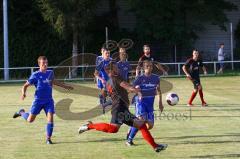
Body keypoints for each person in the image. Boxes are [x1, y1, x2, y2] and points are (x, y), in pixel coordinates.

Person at [78, 62, 168, 152]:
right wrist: (136, 90)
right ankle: (90, 126)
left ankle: (89, 126)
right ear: (111, 71)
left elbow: (104, 94)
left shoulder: (108, 82)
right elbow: (127, 86)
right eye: (115, 68)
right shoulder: (116, 77)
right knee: (135, 126)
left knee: (116, 128)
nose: (118, 69)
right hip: (119, 109)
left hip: (120, 108)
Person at [13, 56, 73, 144]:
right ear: (39, 64)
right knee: (30, 120)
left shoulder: (50, 72)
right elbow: (25, 85)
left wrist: (65, 86)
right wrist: (23, 93)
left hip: (48, 101)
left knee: (50, 118)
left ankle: (48, 139)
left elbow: (54, 81)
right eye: (43, 63)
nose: (45, 65)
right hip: (38, 101)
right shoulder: (35, 75)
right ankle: (21, 112)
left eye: (46, 63)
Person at [126, 60, 163, 146]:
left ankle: (132, 127)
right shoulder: (139, 78)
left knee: (150, 125)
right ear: (143, 68)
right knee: (141, 121)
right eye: (147, 66)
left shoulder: (156, 78)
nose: (149, 68)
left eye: (150, 66)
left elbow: (159, 90)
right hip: (141, 103)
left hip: (150, 104)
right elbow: (130, 89)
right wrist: (136, 91)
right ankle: (129, 140)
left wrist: (160, 103)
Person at [94, 47, 112, 112]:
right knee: (104, 93)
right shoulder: (101, 62)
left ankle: (104, 103)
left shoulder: (112, 61)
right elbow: (95, 73)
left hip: (111, 81)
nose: (108, 54)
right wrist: (101, 79)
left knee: (112, 94)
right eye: (106, 53)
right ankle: (103, 102)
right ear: (103, 54)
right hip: (104, 80)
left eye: (109, 53)